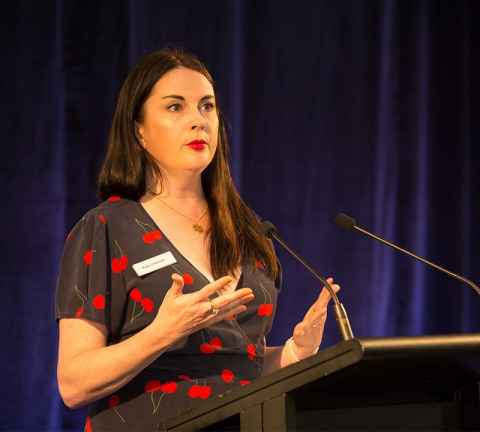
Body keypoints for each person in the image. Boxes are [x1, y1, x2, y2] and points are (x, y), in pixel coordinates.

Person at [55, 47, 340, 431]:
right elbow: (73, 383)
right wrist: (163, 333)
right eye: (176, 107)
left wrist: (291, 354)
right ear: (138, 129)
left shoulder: (252, 233)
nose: (198, 121)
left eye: (207, 107)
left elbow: (239, 365)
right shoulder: (106, 228)